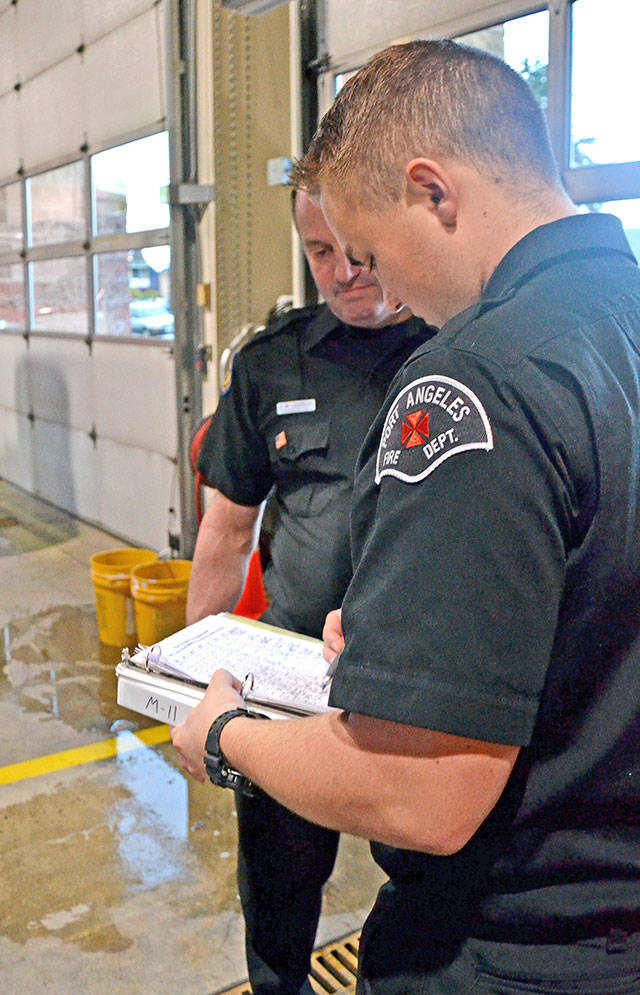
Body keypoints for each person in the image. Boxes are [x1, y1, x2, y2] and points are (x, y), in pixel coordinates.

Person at [172, 39, 640, 993]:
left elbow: (427, 792)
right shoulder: (617, 317)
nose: (377, 285)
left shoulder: (472, 383)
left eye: (377, 252)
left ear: (435, 192)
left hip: (515, 943)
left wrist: (226, 735)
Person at [187, 188, 433, 994]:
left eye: (356, 248)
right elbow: (227, 531)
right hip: (288, 685)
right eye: (319, 252)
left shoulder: (461, 347)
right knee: (279, 888)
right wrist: (195, 677)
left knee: (432, 889)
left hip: (428, 685)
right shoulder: (273, 362)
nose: (344, 271)